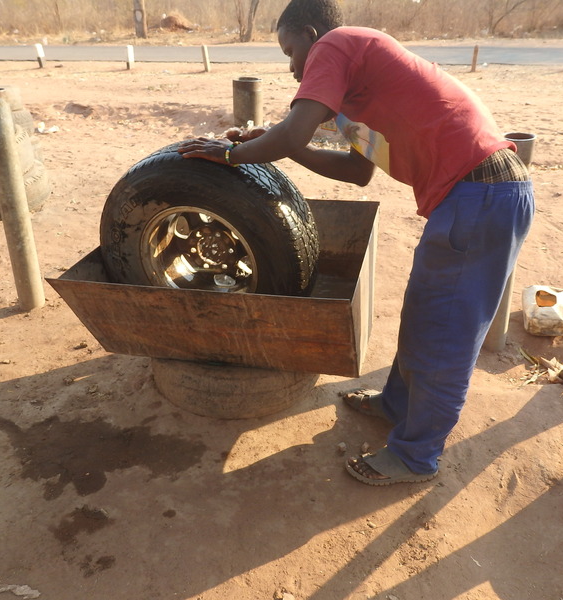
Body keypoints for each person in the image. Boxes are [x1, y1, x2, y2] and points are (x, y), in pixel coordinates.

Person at [177, 0, 534, 486]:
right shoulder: (359, 95)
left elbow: (294, 129)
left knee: (444, 336)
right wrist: (280, 144)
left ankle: (416, 458)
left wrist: (235, 154)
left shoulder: (337, 42)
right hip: (470, 198)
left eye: (290, 51)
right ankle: (395, 406)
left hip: (481, 195)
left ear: (310, 33)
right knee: (423, 314)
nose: (291, 67)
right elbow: (357, 172)